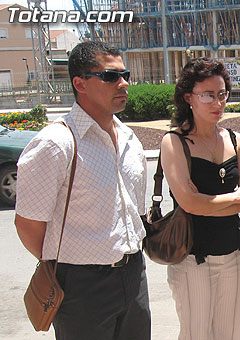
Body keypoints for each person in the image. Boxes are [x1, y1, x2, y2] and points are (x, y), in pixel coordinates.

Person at [14, 41, 150, 339]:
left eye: (124, 74)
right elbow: (27, 224)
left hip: (133, 273)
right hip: (81, 284)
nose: (123, 83)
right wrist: (73, 264)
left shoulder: (129, 139)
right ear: (80, 83)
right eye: (110, 76)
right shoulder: (55, 143)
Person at [160, 57, 240, 340]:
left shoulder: (235, 139)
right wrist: (232, 197)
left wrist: (206, 202)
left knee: (230, 334)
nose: (217, 103)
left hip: (232, 251)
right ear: (189, 97)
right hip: (192, 256)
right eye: (207, 96)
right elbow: (189, 204)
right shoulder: (174, 142)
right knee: (196, 333)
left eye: (222, 94)